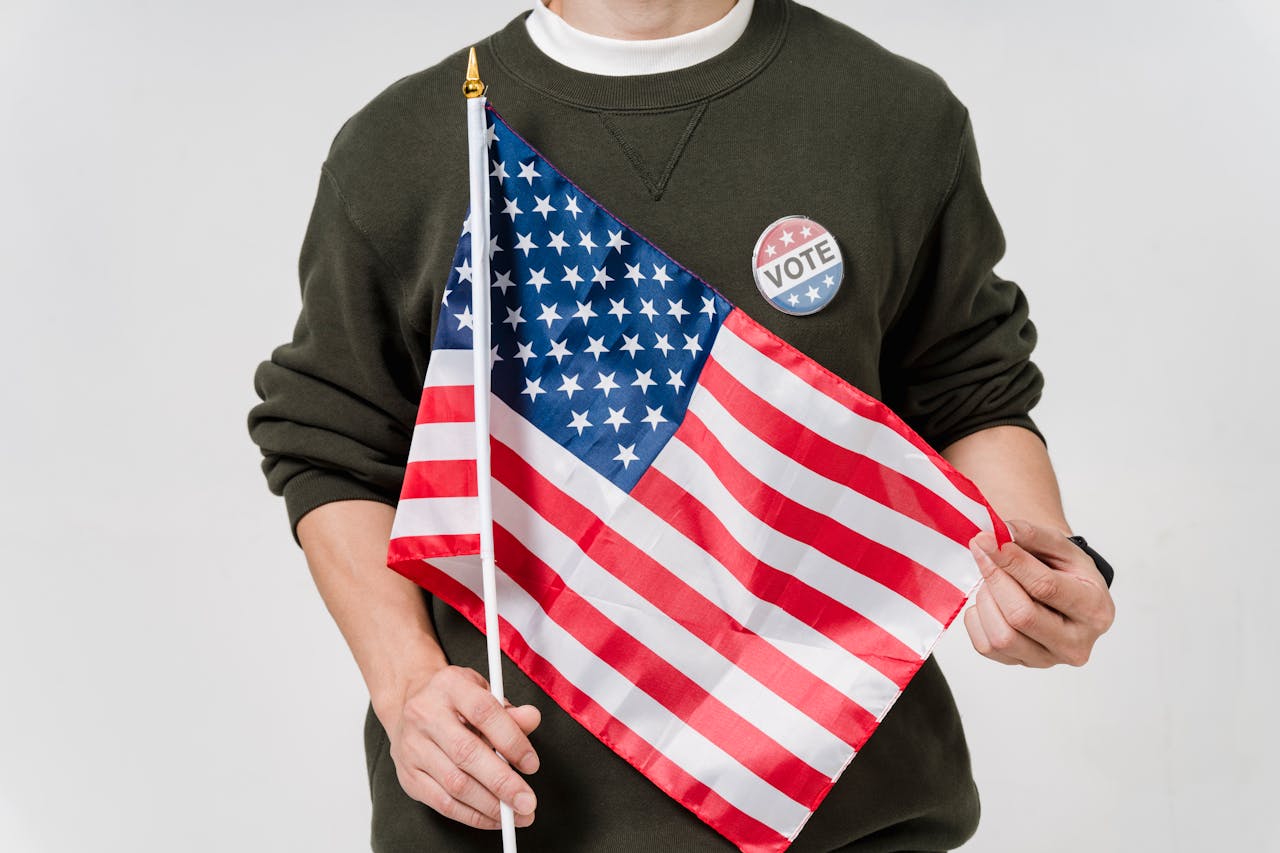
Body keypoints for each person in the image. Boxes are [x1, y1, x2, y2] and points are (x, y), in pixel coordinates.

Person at [246, 1, 1117, 850]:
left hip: (852, 811)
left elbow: (971, 392)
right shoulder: (403, 147)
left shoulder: (892, 114)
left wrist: (1041, 569)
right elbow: (333, 444)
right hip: (513, 816)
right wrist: (409, 687)